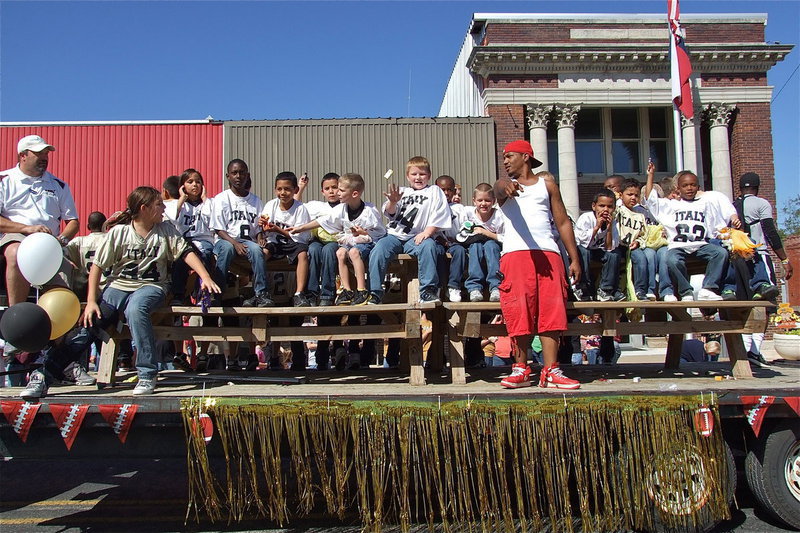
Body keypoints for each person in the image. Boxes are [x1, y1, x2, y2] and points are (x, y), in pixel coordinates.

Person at [21, 187, 221, 399]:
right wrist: (91, 301)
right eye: (158, 205)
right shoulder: (119, 233)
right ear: (144, 209)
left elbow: (186, 252)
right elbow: (97, 266)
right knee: (92, 322)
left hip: (152, 286)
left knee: (137, 309)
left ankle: (147, 372)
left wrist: (205, 277)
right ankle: (44, 375)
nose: (163, 208)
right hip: (118, 287)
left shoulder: (166, 230)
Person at [494, 140, 582, 390]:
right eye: (504, 157)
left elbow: (563, 221)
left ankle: (551, 370)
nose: (506, 160)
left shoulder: (547, 184)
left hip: (548, 254)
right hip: (515, 254)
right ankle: (520, 368)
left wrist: (574, 258)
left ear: (526, 156)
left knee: (552, 311)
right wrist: (505, 186)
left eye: (510, 156)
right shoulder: (505, 186)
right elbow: (498, 188)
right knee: (519, 308)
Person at [0, 135, 79, 306]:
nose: (44, 158)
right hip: (16, 236)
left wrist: (61, 240)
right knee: (16, 253)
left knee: (65, 273)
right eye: (39, 153)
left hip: (50, 242)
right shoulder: (4, 180)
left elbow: (73, 221)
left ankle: (55, 330)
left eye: (46, 154)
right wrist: (27, 228)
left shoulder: (59, 185)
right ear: (23, 155)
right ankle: (17, 314)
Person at [644, 163, 737, 302]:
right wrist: (650, 175)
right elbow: (651, 201)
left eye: (693, 185)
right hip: (678, 246)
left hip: (700, 244)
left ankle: (708, 288)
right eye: (685, 185)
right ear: (678, 188)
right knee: (672, 260)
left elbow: (713, 225)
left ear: (698, 187)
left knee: (721, 253)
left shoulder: (705, 204)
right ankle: (685, 290)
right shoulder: (671, 205)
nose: (689, 188)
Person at [367, 156, 451, 304]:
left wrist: (427, 232)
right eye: (414, 174)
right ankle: (375, 292)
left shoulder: (434, 191)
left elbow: (440, 214)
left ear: (429, 176)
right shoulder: (402, 192)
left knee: (429, 246)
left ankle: (427, 291)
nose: (418, 177)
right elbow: (390, 213)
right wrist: (392, 202)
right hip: (394, 235)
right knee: (379, 249)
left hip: (416, 236)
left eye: (422, 174)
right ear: (407, 176)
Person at [291, 173, 385, 305]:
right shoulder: (342, 208)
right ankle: (347, 291)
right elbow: (322, 220)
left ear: (354, 194)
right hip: (349, 242)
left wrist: (362, 232)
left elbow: (379, 232)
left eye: (341, 190)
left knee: (351, 252)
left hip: (367, 243)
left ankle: (361, 290)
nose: (337, 193)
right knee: (340, 253)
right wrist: (301, 228)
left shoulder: (369, 211)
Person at [209, 159, 274, 307]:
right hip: (226, 240)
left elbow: (258, 227)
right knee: (226, 249)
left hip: (247, 242)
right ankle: (216, 293)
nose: (238, 176)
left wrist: (260, 237)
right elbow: (218, 229)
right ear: (228, 176)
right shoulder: (221, 199)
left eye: (242, 172)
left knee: (258, 250)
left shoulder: (256, 201)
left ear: (247, 175)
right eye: (234, 173)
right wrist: (235, 243)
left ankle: (261, 293)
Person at [259, 171, 312, 307]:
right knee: (262, 254)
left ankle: (299, 293)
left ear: (295, 190)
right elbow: (263, 226)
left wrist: (278, 229)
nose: (283, 193)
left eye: (287, 189)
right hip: (274, 241)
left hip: (292, 243)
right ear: (275, 190)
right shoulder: (271, 205)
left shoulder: (301, 209)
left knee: (303, 254)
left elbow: (301, 238)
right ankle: (260, 292)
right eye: (279, 189)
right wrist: (263, 227)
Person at [164, 169, 214, 303]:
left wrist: (205, 199)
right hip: (185, 242)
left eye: (198, 182)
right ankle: (178, 295)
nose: (194, 185)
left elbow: (211, 220)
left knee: (206, 256)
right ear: (182, 186)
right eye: (190, 182)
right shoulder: (178, 204)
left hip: (203, 240)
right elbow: (172, 220)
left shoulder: (209, 203)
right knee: (180, 261)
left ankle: (203, 292)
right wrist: (181, 199)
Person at [573, 189, 625, 302]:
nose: (605, 210)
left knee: (614, 254)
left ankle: (605, 289)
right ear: (594, 206)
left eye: (609, 207)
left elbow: (609, 247)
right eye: (602, 206)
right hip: (585, 251)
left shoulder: (614, 223)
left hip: (599, 252)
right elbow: (582, 242)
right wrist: (596, 227)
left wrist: (609, 229)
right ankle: (582, 287)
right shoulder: (586, 218)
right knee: (583, 251)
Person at [299, 172, 341, 306]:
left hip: (336, 242)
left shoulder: (344, 207)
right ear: (322, 192)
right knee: (313, 250)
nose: (331, 191)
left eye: (334, 187)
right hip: (317, 240)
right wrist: (301, 187)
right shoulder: (316, 206)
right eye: (327, 189)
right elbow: (296, 205)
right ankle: (311, 293)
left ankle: (327, 294)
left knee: (328, 252)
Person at [616, 178, 657, 300]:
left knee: (641, 259)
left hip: (632, 246)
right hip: (618, 245)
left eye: (636, 195)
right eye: (629, 194)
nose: (633, 198)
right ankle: (615, 290)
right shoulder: (617, 209)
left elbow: (644, 233)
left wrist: (638, 242)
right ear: (621, 194)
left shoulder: (641, 213)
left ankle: (640, 290)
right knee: (615, 259)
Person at [463, 182, 504, 302]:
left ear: (493, 200)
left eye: (487, 200)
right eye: (480, 200)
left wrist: (485, 232)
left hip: (494, 247)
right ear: (474, 201)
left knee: (490, 245)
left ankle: (496, 286)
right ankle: (474, 287)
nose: (483, 204)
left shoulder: (498, 216)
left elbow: (504, 237)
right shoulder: (468, 214)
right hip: (475, 246)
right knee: (475, 246)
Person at [434, 175, 467, 302]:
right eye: (442, 190)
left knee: (459, 251)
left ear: (454, 191)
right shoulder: (432, 207)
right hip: (438, 241)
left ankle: (453, 286)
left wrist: (459, 238)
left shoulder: (459, 208)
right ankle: (437, 287)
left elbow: (464, 226)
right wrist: (443, 241)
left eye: (449, 190)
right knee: (435, 252)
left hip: (455, 242)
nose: (446, 193)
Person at [65, 211, 108, 301]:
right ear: (105, 225)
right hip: (107, 287)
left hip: (86, 288)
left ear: (88, 226)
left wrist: (73, 265)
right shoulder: (111, 240)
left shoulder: (79, 242)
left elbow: (62, 253)